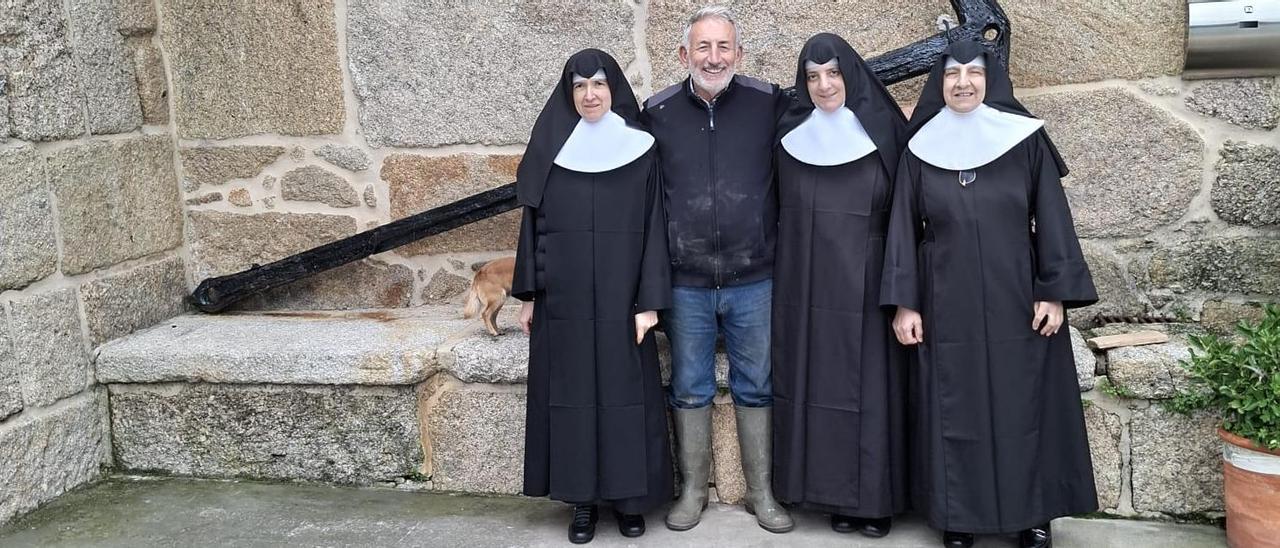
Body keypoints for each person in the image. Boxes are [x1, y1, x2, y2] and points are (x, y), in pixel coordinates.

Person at [881, 40, 1099, 548]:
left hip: (1017, 298)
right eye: (952, 73)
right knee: (954, 408)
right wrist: (905, 302)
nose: (962, 82)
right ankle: (959, 515)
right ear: (940, 83)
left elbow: (1051, 216)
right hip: (943, 302)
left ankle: (1033, 514)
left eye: (973, 73)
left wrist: (1054, 292)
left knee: (1024, 405)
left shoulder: (1025, 140)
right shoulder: (920, 147)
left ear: (990, 79)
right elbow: (901, 229)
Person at [640, 5, 792, 533]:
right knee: (688, 386)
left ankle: (762, 493)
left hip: (755, 277)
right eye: (702, 47)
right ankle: (691, 492)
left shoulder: (768, 104)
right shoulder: (656, 113)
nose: (713, 57)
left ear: (739, 53)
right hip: (686, 280)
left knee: (758, 385)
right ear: (684, 54)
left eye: (723, 46)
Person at [511, 48, 673, 545]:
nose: (590, 95)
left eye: (598, 84)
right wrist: (531, 295)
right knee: (573, 396)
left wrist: (650, 302)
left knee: (627, 398)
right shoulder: (550, 152)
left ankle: (629, 501)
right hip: (567, 301)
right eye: (579, 86)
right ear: (569, 93)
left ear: (614, 89)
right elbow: (533, 227)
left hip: (626, 302)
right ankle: (581, 502)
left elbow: (655, 230)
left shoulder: (641, 149)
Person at [770, 32, 909, 538]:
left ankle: (875, 500)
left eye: (832, 73)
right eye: (812, 76)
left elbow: (907, 216)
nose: (823, 85)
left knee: (869, 391)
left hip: (868, 284)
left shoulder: (888, 132)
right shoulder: (788, 133)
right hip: (804, 285)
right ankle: (826, 494)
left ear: (851, 75)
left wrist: (901, 291)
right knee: (815, 386)